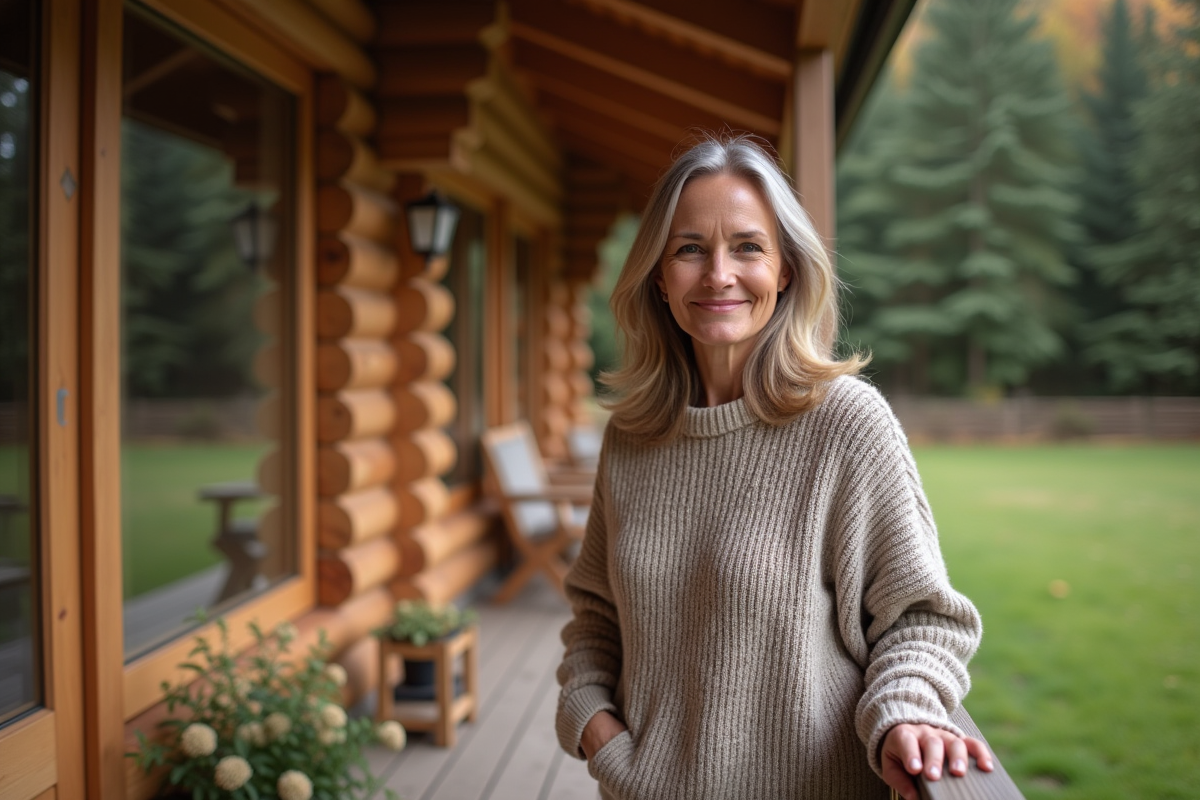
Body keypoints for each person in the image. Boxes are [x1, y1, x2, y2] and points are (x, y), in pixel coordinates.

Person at [554, 135, 994, 800]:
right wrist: (600, 732)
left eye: (748, 246)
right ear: (658, 275)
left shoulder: (845, 423)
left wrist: (905, 707)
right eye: (690, 248)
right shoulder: (632, 435)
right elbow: (596, 618)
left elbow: (923, 619)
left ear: (785, 268)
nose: (718, 274)